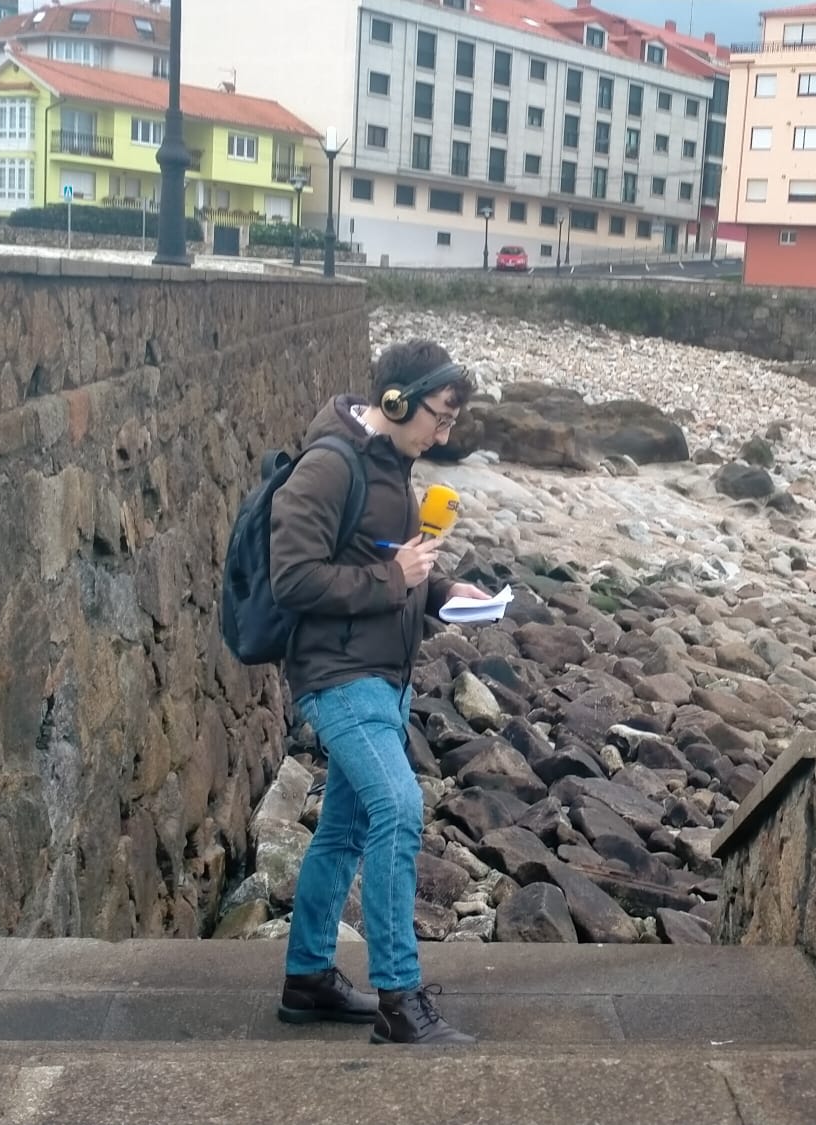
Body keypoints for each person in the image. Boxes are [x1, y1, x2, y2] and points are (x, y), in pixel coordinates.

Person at [268, 339, 489, 1045]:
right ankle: (400, 1000)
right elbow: (292, 578)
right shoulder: (329, 466)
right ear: (396, 400)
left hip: (383, 677)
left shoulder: (396, 468)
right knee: (399, 808)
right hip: (338, 677)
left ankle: (307, 979)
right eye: (441, 416)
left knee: (345, 828)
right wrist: (393, 582)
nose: (445, 434)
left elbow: (392, 568)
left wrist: (447, 592)